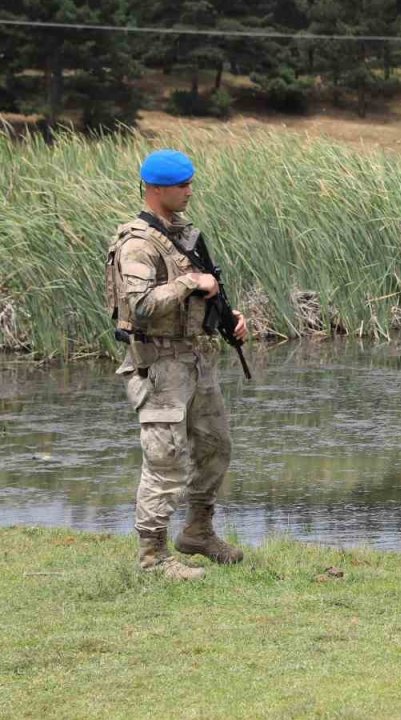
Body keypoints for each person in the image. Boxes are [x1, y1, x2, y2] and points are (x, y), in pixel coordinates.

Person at [106, 149, 248, 580]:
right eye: (182, 185)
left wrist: (227, 317)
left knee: (214, 448)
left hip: (194, 357)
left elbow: (202, 293)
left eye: (190, 183)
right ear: (156, 188)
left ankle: (199, 532)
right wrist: (191, 282)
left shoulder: (183, 234)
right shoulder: (137, 243)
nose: (189, 191)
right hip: (158, 362)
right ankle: (153, 557)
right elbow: (142, 306)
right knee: (164, 460)